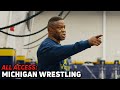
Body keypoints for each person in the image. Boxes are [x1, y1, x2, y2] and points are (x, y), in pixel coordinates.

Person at [37, 16, 102, 71]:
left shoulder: (56, 47)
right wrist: (88, 43)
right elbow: (73, 48)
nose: (63, 30)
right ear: (49, 30)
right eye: (59, 28)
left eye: (64, 27)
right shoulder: (46, 48)